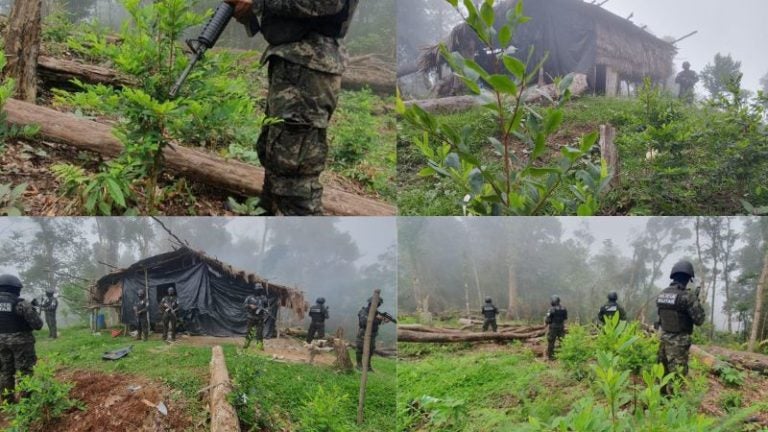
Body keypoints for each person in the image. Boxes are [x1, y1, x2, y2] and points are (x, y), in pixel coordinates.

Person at [225, 0, 360, 215]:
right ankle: (269, 206)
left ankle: (303, 233)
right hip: (293, 61)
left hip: (309, 65)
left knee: (295, 171)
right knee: (275, 149)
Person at [656, 260, 706, 389]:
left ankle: (659, 403)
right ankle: (673, 406)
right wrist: (696, 302)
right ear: (688, 278)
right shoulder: (687, 297)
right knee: (677, 377)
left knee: (661, 374)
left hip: (663, 338)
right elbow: (699, 320)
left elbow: (661, 316)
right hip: (679, 342)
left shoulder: (662, 294)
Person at [0, 274, 43, 402]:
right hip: (21, 342)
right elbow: (38, 325)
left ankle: (8, 401)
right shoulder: (21, 304)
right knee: (25, 372)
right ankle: (26, 402)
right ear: (15, 288)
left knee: (6, 371)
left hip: (1, 343)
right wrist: (33, 309)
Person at [355, 297, 392, 372]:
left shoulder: (376, 313)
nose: (377, 306)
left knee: (370, 350)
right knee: (360, 349)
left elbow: (379, 322)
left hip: (372, 335)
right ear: (370, 303)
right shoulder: (363, 311)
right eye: (376, 304)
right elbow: (364, 322)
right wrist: (378, 319)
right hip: (363, 334)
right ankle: (359, 365)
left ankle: (368, 366)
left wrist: (385, 320)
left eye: (378, 304)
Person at [244, 285, 269, 349]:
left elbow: (267, 307)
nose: (259, 291)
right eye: (258, 289)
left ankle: (259, 346)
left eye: (260, 290)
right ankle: (246, 344)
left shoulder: (264, 298)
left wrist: (265, 311)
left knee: (259, 333)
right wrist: (250, 306)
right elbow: (244, 305)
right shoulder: (249, 297)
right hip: (251, 317)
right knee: (249, 332)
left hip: (260, 318)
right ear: (255, 290)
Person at [545, 295, 567, 360]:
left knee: (551, 341)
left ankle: (551, 357)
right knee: (562, 341)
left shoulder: (551, 309)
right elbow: (565, 318)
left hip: (553, 328)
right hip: (561, 327)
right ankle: (564, 355)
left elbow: (547, 319)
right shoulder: (564, 308)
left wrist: (547, 323)